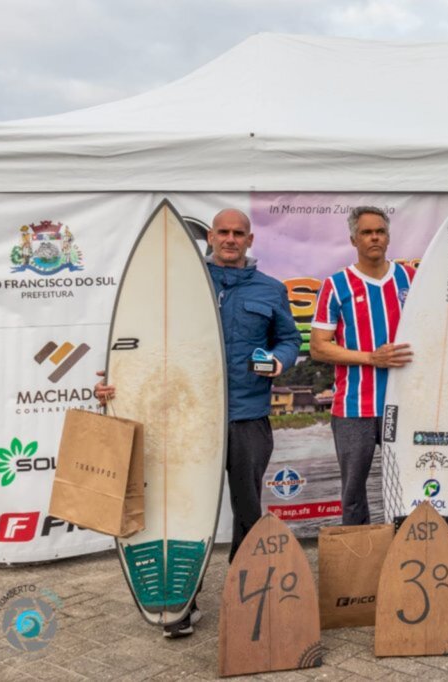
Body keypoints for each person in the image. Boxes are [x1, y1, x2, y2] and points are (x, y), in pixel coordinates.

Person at [95, 207, 301, 638]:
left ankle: (245, 595)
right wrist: (119, 382)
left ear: (250, 239)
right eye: (222, 232)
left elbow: (288, 339)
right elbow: (144, 341)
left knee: (247, 508)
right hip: (186, 418)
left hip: (246, 415)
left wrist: (279, 361)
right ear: (211, 237)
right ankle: (183, 602)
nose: (229, 239)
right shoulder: (181, 287)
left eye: (238, 233)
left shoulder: (270, 289)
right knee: (184, 506)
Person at [310, 206, 414, 526]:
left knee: (410, 483)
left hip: (405, 403)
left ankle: (407, 552)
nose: (374, 237)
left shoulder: (410, 278)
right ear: (353, 239)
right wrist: (372, 358)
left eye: (380, 231)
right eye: (367, 232)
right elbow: (319, 347)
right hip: (354, 407)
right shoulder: (336, 285)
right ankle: (359, 564)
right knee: (353, 492)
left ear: (388, 236)